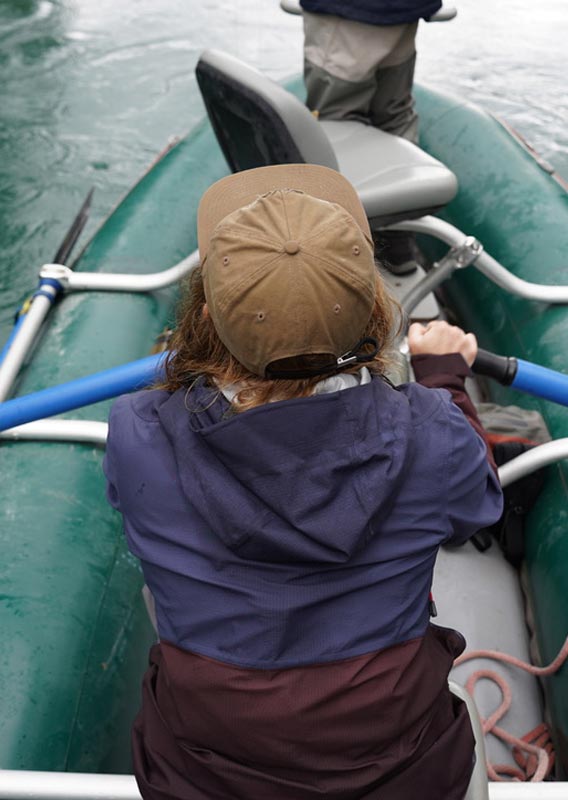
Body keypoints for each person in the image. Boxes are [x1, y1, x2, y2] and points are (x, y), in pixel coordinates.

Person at [103, 163, 503, 800]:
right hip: (401, 774)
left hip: (203, 776)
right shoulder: (432, 430)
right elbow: (477, 506)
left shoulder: (135, 432)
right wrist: (443, 380)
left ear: (208, 314)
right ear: (374, 306)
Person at [299, 0, 444, 272]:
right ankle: (397, 241)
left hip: (349, 16)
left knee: (335, 123)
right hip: (404, 11)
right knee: (395, 115)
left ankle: (337, 249)